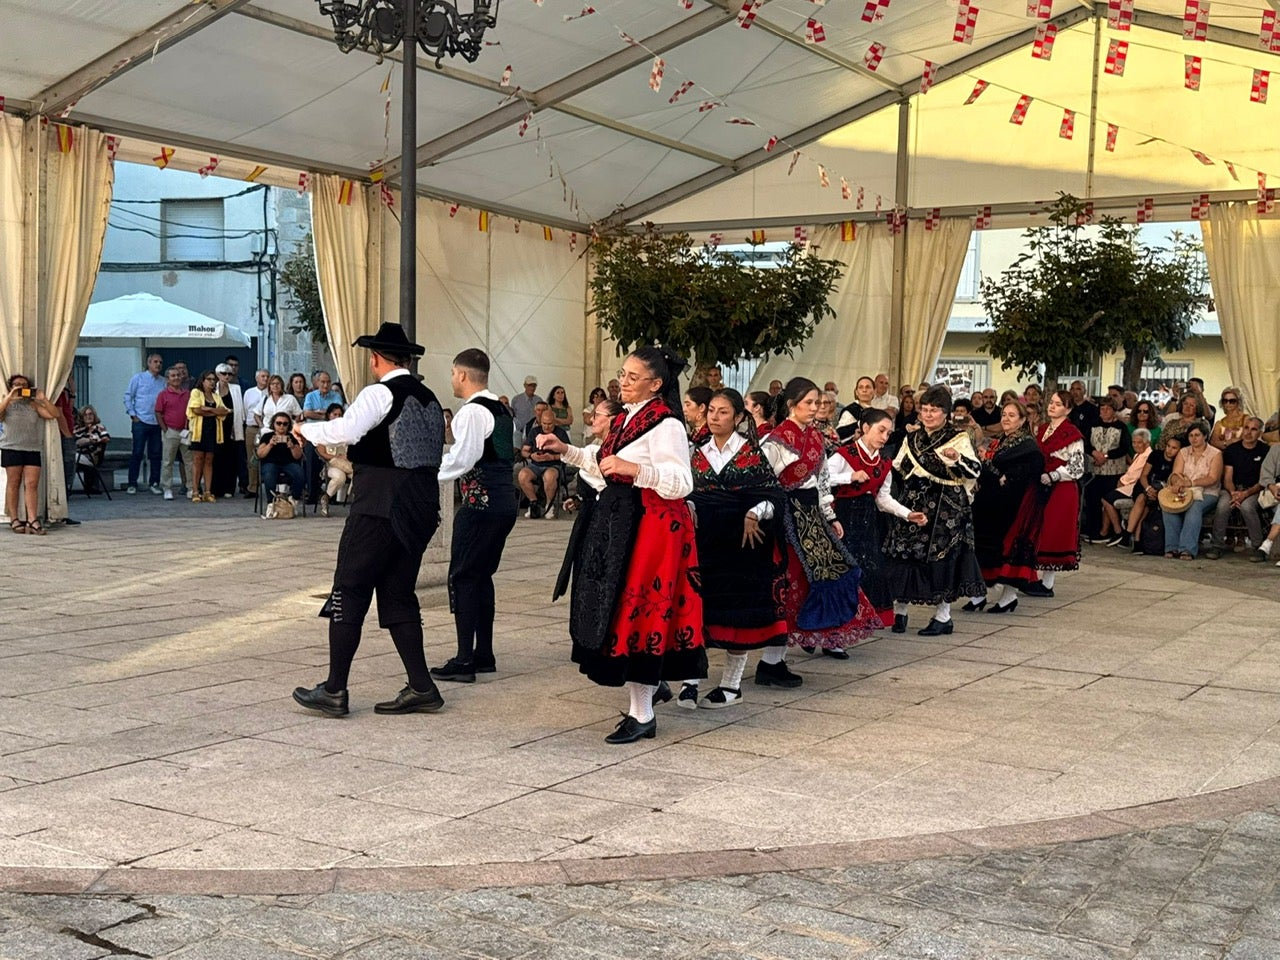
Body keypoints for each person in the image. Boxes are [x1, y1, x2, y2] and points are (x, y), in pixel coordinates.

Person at [540, 346, 707, 744]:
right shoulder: (629, 418)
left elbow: (682, 482)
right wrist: (566, 451)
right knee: (620, 612)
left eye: (633, 377)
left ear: (656, 384)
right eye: (623, 374)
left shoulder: (665, 424)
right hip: (622, 523)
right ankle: (643, 705)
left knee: (639, 614)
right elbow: (604, 462)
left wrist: (637, 470)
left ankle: (643, 713)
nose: (624, 382)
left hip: (651, 528)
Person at [291, 322, 447, 717]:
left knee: (350, 586)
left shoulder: (380, 391)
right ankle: (422, 686)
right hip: (420, 505)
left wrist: (305, 429)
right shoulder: (429, 397)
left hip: (380, 502)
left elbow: (348, 428)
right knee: (396, 591)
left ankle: (334, 689)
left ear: (376, 358)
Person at [682, 388, 788, 709]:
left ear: (739, 417)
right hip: (705, 542)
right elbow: (687, 489)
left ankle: (731, 686)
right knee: (698, 610)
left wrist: (756, 512)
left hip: (743, 546)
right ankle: (690, 680)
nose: (715, 417)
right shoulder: (696, 452)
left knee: (736, 615)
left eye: (723, 412)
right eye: (711, 411)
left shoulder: (753, 454)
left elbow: (776, 497)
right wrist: (687, 504)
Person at [762, 377, 881, 661]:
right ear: (792, 405)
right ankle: (775, 656)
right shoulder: (776, 440)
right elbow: (765, 483)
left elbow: (823, 481)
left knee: (839, 570)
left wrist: (830, 515)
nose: (815, 408)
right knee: (793, 580)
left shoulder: (816, 437)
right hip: (787, 516)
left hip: (813, 515)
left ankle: (831, 636)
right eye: (809, 403)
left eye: (817, 403)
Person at [432, 348, 519, 684]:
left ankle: (465, 659)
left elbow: (462, 459)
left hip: (479, 505)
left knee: (464, 576)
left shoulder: (471, 412)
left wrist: (428, 474)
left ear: (464, 374)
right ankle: (484, 654)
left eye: (454, 373)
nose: (452, 379)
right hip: (503, 504)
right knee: (482, 576)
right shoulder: (502, 409)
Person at [883, 384, 985, 635]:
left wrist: (957, 459)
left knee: (942, 558)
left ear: (946, 413)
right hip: (914, 500)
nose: (928, 415)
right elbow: (898, 467)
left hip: (946, 507)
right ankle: (900, 612)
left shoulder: (958, 437)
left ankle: (943, 616)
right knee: (904, 553)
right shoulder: (912, 437)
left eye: (934, 410)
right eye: (924, 410)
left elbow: (974, 470)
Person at [829, 408, 925, 628]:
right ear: (864, 428)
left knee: (868, 572)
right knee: (840, 573)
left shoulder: (883, 464)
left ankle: (846, 627)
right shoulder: (844, 455)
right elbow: (821, 479)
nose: (885, 437)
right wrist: (849, 476)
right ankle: (829, 628)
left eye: (888, 433)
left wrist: (907, 514)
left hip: (867, 524)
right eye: (881, 431)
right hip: (840, 520)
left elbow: (883, 499)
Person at [969, 399, 1045, 613]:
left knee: (1010, 548)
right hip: (991, 503)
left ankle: (1009, 597)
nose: (1006, 419)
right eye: (1004, 415)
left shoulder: (1027, 446)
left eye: (1012, 416)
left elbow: (1026, 473)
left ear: (1022, 421)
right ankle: (978, 594)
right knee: (983, 545)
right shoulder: (1000, 441)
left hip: (1014, 506)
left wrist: (998, 473)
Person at [1016, 389, 1086, 595]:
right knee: (1035, 528)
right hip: (1039, 484)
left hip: (1061, 488)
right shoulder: (1043, 429)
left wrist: (1054, 475)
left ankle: (1047, 583)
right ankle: (1032, 577)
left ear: (1068, 409)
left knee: (1053, 530)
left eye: (1058, 403)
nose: (1052, 406)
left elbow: (1077, 467)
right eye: (1051, 402)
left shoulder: (1073, 434)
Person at [1, 374, 58, 535]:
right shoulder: (7, 404)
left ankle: (32, 519)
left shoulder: (33, 404)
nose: (20, 386)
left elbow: (54, 414)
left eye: (23, 384)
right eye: (16, 384)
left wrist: (44, 399)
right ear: (11, 386)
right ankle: (14, 518)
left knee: (32, 484)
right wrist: (10, 397)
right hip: (11, 447)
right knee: (14, 483)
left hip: (32, 448)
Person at [1205, 417, 1268, 559]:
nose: (1248, 432)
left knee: (1247, 507)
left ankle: (1258, 547)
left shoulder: (1265, 450)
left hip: (1255, 490)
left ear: (1260, 432)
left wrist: (1245, 494)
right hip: (1232, 488)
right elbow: (1227, 478)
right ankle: (1216, 545)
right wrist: (1234, 493)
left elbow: (1262, 480)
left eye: (1253, 429)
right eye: (1246, 428)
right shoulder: (1232, 450)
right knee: (1223, 506)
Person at [1161, 420, 1222, 559]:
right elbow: (1176, 473)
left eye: (1197, 435)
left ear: (1205, 436)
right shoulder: (1183, 452)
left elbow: (1213, 478)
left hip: (1207, 492)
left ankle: (1187, 549)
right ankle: (1172, 547)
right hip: (1184, 489)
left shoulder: (1215, 454)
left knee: (1194, 507)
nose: (1193, 438)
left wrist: (1191, 483)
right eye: (1191, 436)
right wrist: (1177, 483)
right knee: (1169, 507)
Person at [1083, 398, 1132, 541]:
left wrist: (1106, 455)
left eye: (1108, 409)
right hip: (1094, 470)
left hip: (1114, 471)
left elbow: (1124, 447)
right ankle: (1093, 531)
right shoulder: (1092, 425)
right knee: (1093, 501)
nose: (1104, 412)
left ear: (1114, 411)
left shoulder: (1121, 427)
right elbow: (1085, 443)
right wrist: (1094, 453)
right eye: (1102, 409)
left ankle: (1109, 532)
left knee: (1109, 501)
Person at [1099, 428, 1153, 548]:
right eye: (1134, 442)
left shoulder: (1147, 455)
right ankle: (1105, 532)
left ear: (1147, 443)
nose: (1136, 445)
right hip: (1126, 485)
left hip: (1133, 488)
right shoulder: (1139, 454)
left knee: (1106, 499)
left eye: (1139, 442)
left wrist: (1122, 482)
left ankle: (1119, 532)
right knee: (1106, 496)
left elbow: (1136, 475)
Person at [123, 352, 165, 494]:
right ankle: (132, 483)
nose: (158, 364)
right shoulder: (138, 378)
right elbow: (128, 396)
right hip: (140, 420)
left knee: (156, 454)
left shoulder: (163, 382)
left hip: (156, 422)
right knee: (137, 452)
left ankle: (154, 482)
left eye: (160, 362)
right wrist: (133, 414)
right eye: (155, 362)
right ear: (149, 363)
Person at [185, 371, 229, 502]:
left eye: (213, 379)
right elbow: (196, 410)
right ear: (202, 381)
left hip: (214, 431)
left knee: (209, 460)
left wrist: (207, 409)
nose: (212, 382)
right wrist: (213, 412)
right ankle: (195, 491)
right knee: (198, 460)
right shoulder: (196, 393)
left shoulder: (216, 396)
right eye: (208, 379)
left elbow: (223, 411)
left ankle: (208, 491)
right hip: (200, 431)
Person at [518, 409, 569, 519]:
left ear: (554, 422)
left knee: (549, 476)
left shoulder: (561, 433)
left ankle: (549, 505)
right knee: (522, 475)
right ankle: (533, 503)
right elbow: (524, 451)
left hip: (554, 464)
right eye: (544, 423)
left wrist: (553, 457)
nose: (546, 427)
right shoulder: (534, 431)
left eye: (550, 424)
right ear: (540, 421)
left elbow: (568, 454)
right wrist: (532, 455)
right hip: (535, 464)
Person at [155, 366, 195, 500]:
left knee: (189, 461)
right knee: (167, 461)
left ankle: (191, 488)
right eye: (173, 376)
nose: (176, 378)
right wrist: (165, 429)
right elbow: (158, 412)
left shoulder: (187, 394)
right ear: (167, 379)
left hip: (186, 431)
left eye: (178, 375)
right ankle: (167, 488)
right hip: (170, 431)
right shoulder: (163, 395)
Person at [211, 363, 245, 498]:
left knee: (231, 459)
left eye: (229, 374)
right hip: (217, 427)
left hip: (232, 427)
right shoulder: (213, 389)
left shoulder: (236, 388)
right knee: (217, 458)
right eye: (224, 373)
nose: (227, 376)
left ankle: (229, 488)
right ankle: (215, 488)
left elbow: (240, 407)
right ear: (218, 375)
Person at [256, 412, 305, 503]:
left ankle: (294, 498)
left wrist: (292, 447)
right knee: (269, 474)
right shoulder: (267, 436)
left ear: (288, 425)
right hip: (270, 463)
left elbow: (298, 456)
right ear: (273, 424)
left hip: (289, 463)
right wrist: (270, 445)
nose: (281, 426)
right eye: (278, 423)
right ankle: (271, 502)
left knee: (300, 473)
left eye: (285, 424)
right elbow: (260, 454)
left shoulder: (291, 437)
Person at [315, 403, 353, 516]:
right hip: (331, 463)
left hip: (346, 462)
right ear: (328, 416)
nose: (337, 417)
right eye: (334, 414)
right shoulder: (323, 431)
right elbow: (321, 453)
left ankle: (325, 497)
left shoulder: (347, 432)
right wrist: (336, 457)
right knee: (345, 475)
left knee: (345, 476)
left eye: (340, 415)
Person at [243, 368, 270, 498]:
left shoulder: (271, 393)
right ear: (257, 378)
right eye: (263, 376)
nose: (265, 379)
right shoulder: (249, 392)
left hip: (267, 429)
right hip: (251, 428)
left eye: (267, 376)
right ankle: (252, 487)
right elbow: (245, 409)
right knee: (251, 458)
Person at [1209, 387, 1246, 451]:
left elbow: (1245, 439)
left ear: (1238, 402)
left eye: (1232, 401)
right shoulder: (1219, 423)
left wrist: (1222, 443)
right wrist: (1228, 443)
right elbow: (1213, 442)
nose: (1228, 404)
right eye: (1225, 401)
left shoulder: (1246, 419)